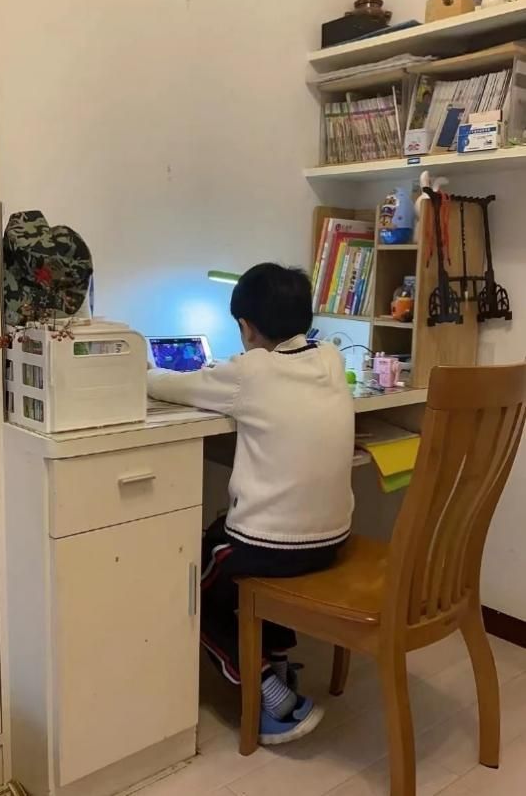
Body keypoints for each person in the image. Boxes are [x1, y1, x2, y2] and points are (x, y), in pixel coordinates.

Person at [148, 263, 355, 745]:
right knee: (229, 538)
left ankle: (267, 690)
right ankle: (278, 662)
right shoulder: (329, 359)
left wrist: (140, 365)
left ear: (245, 327)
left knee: (190, 584)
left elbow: (167, 386)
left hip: (273, 548)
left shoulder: (251, 370)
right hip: (330, 540)